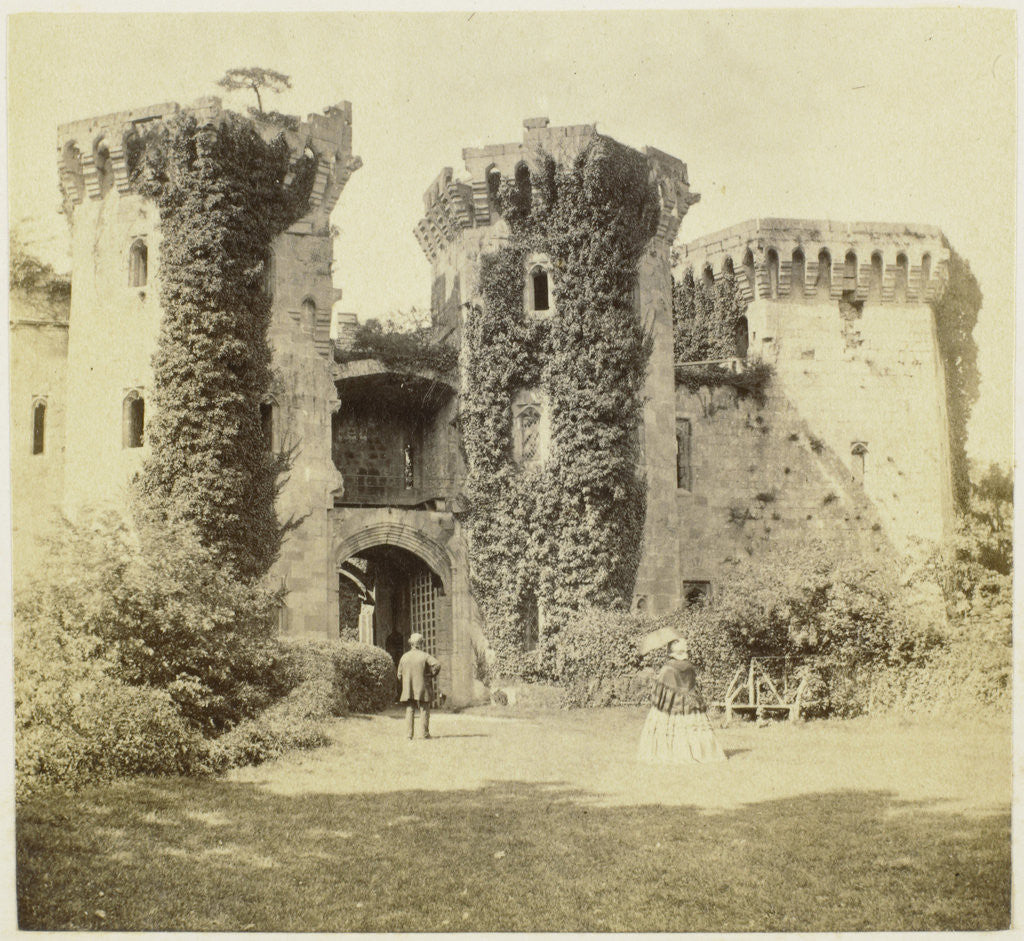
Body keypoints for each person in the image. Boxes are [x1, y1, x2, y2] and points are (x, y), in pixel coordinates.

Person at [637, 636, 726, 764]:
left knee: (671, 730)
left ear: (670, 652)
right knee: (692, 729)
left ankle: (673, 753)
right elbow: (692, 685)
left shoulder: (668, 669)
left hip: (671, 705)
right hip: (690, 704)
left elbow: (660, 689)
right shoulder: (690, 667)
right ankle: (700, 752)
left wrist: (656, 680)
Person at [396, 632, 441, 740]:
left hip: (409, 687)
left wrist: (406, 682)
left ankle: (408, 735)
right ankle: (425, 734)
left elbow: (399, 674)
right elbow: (437, 664)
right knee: (424, 709)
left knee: (409, 709)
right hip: (422, 687)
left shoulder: (404, 657)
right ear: (421, 643)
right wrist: (431, 675)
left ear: (411, 643)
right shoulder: (425, 656)